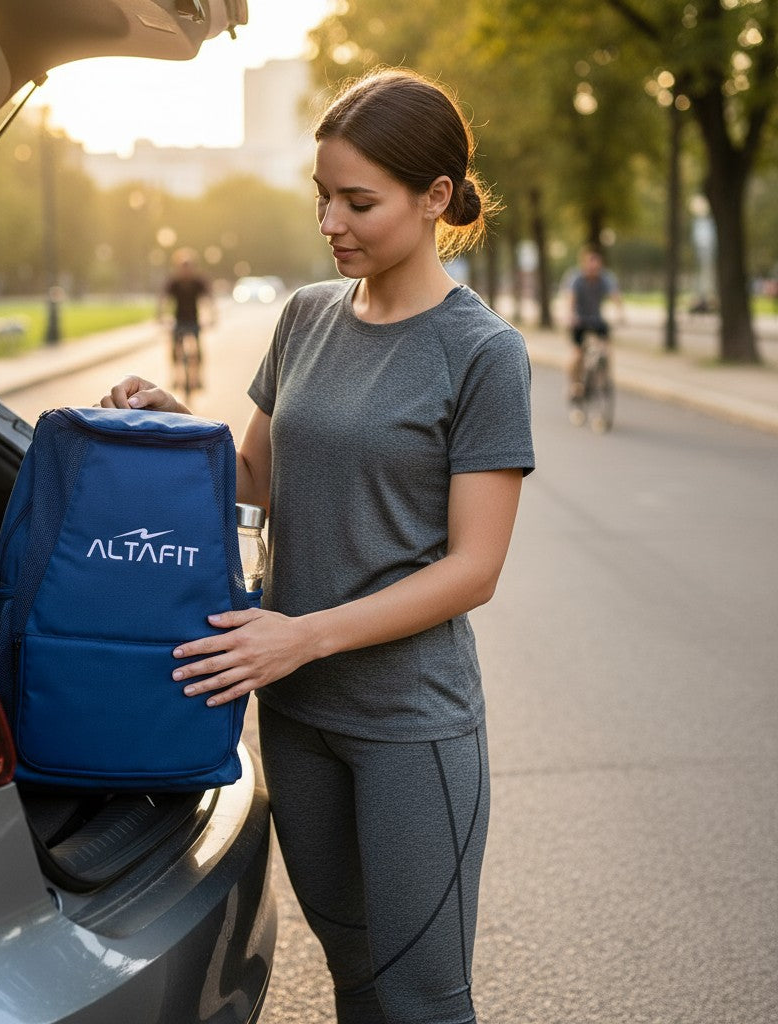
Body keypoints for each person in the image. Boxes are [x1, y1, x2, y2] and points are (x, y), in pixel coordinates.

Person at [101, 68, 534, 1024]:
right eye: (322, 197)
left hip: (409, 723)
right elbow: (255, 480)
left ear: (435, 198)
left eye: (358, 202)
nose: (331, 222)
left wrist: (300, 635)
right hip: (295, 714)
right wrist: (176, 426)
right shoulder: (305, 316)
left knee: (422, 998)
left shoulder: (483, 353)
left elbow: (475, 570)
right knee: (356, 979)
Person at [565, 246, 623, 406]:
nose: (594, 268)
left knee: (606, 349)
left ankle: (604, 376)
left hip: (597, 320)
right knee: (577, 354)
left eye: (597, 265)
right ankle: (574, 384)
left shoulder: (605, 278)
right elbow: (570, 299)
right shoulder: (576, 278)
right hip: (579, 320)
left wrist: (620, 313)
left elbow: (615, 295)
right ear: (584, 263)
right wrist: (570, 315)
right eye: (590, 264)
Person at [158, 247, 214, 391]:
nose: (186, 270)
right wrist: (160, 315)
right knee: (175, 348)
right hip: (179, 321)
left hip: (193, 321)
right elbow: (163, 299)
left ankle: (198, 376)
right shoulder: (174, 282)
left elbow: (209, 298)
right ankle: (176, 376)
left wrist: (212, 316)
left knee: (198, 349)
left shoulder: (198, 282)